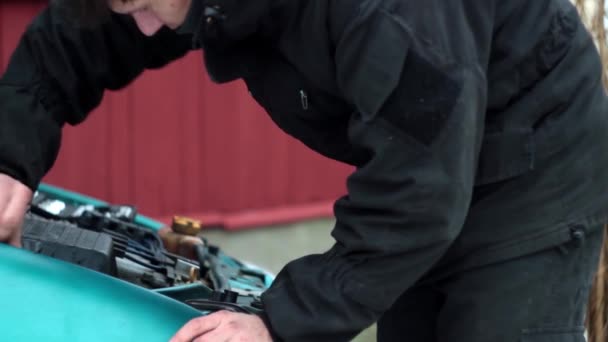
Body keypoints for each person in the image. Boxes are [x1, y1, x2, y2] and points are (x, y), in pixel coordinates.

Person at [1, 0, 607, 340]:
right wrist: (9, 159)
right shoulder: (163, 1)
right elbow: (79, 39)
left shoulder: (389, 12)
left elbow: (419, 189)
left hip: (533, 155)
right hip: (430, 144)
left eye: (143, 7)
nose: (141, 27)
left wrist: (277, 323)